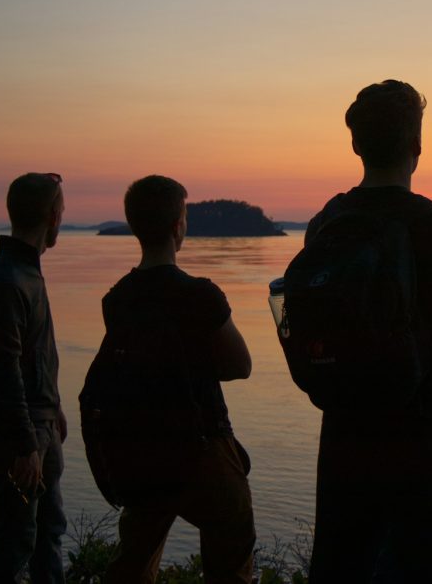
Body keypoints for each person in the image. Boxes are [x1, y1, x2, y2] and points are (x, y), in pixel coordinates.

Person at [305, 80, 432, 583]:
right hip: (429, 444)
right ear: (417, 145)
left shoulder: (326, 224)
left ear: (356, 144)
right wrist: (431, 345)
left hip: (347, 446)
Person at [93, 175, 255, 584]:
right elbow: (241, 364)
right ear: (178, 227)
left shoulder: (117, 300)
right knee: (231, 557)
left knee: (135, 562)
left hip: (142, 446)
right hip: (204, 444)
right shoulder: (201, 295)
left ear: (134, 227)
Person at [0, 172, 68, 584]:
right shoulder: (7, 279)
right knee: (15, 543)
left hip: (41, 424)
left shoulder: (25, 269)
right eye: (61, 211)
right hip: (24, 435)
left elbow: (33, 355)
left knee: (48, 536)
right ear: (51, 216)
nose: (62, 219)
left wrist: (55, 408)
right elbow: (2, 367)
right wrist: (25, 443)